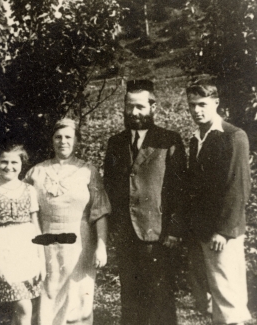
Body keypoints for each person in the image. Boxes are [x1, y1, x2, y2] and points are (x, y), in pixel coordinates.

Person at [104, 80, 187, 325]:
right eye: (130, 106)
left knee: (160, 299)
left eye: (140, 107)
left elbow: (179, 189)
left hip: (157, 233)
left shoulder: (168, 141)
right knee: (130, 297)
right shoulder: (115, 143)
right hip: (125, 234)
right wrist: (113, 228)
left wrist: (174, 229)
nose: (134, 113)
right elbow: (110, 187)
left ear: (153, 108)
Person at [24, 118, 111, 325]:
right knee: (48, 293)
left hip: (79, 242)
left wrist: (101, 246)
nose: (63, 141)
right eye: (58, 137)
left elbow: (100, 211)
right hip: (44, 242)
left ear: (77, 141)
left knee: (77, 295)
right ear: (52, 140)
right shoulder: (36, 172)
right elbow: (25, 212)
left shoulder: (88, 171)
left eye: (68, 137)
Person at [186, 79, 251, 325]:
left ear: (216, 102)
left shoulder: (233, 137)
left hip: (223, 234)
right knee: (211, 299)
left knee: (229, 298)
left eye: (202, 104)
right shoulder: (196, 139)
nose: (196, 110)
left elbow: (238, 187)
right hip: (201, 231)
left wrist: (223, 232)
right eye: (192, 105)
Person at [0, 141, 44, 325]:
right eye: (4, 162)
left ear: (22, 164)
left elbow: (36, 227)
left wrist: (42, 262)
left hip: (26, 254)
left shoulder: (29, 190)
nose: (9, 167)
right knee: (24, 307)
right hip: (2, 254)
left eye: (15, 162)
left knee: (21, 310)